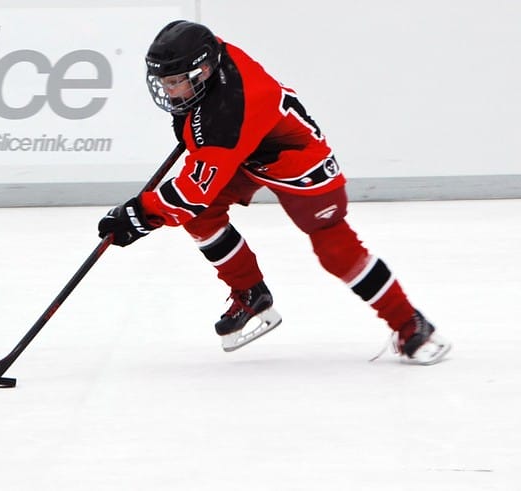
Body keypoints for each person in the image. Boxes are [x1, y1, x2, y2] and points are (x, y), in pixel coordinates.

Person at [97, 20, 451, 365]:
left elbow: (191, 193)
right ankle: (251, 294)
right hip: (246, 154)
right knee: (203, 217)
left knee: (336, 249)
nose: (169, 91)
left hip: (298, 163)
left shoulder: (231, 110)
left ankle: (410, 323)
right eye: (164, 82)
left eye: (176, 82)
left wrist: (138, 216)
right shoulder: (211, 57)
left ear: (204, 70)